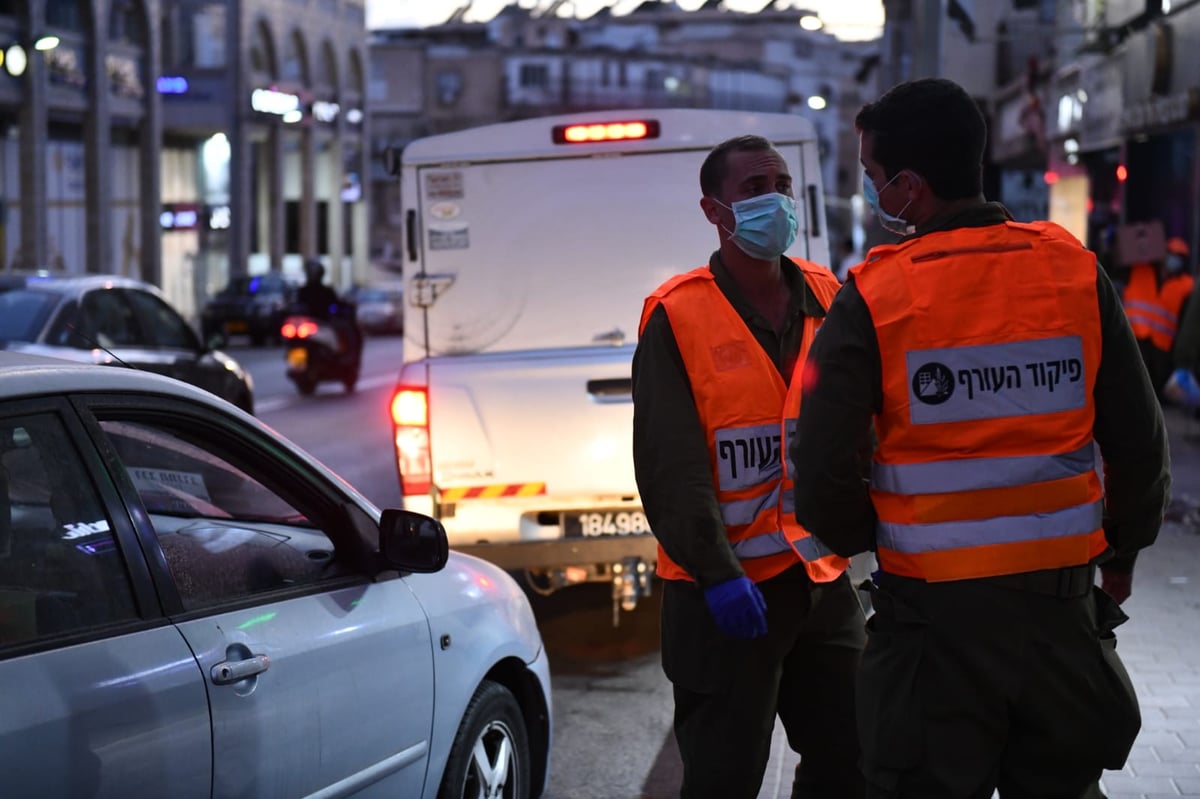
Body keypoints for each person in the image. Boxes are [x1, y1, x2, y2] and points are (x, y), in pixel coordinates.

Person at [790, 78, 1171, 798]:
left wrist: (876, 543)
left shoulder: (874, 295)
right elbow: (1139, 441)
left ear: (909, 185)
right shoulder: (1072, 270)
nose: (873, 191)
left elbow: (821, 468)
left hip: (932, 628)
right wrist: (1121, 552)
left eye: (874, 177)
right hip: (1058, 622)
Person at [632, 134, 866, 799]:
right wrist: (717, 572)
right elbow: (670, 463)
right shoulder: (678, 313)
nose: (776, 201)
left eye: (783, 186)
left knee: (853, 760)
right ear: (714, 210)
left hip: (820, 580)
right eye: (755, 189)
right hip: (725, 595)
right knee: (723, 777)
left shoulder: (831, 295)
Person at [1123, 236, 1194, 398]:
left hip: (1163, 347)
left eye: (1179, 256)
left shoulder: (1186, 285)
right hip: (1135, 336)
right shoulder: (1141, 271)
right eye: (1171, 254)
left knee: (1154, 392)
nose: (1174, 259)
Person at [297, 258, 362, 364]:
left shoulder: (307, 291)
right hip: (314, 324)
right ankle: (345, 358)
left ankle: (346, 358)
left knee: (347, 330)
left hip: (323, 325)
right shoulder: (304, 292)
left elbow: (337, 305)